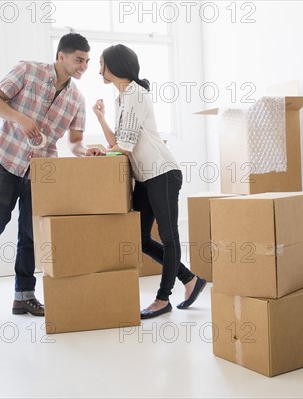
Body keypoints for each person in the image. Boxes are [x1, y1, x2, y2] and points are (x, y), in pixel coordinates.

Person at [0, 33, 103, 317]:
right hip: (7, 162)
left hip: (41, 172)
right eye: (79, 59)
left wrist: (84, 150)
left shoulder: (77, 99)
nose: (84, 66)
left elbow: (74, 141)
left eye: (87, 61)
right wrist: (21, 118)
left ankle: (23, 296)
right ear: (61, 56)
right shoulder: (28, 70)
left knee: (29, 236)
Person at [93, 44, 206, 319]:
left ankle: (162, 299)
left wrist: (103, 150)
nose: (99, 70)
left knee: (169, 238)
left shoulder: (136, 94)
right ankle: (190, 279)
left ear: (115, 65)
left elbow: (126, 145)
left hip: (163, 173)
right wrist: (100, 117)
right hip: (145, 177)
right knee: (141, 239)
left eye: (101, 64)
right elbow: (116, 143)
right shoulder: (122, 99)